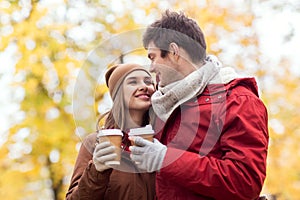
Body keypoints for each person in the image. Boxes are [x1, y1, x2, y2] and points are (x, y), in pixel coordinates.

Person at [129, 10, 269, 200]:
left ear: (174, 52)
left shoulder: (237, 100)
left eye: (153, 57)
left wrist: (166, 159)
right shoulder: (163, 103)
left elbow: (244, 182)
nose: (151, 68)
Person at [66, 63, 156, 200]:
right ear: (118, 93)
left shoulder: (163, 139)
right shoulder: (94, 143)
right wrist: (96, 171)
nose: (144, 86)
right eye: (133, 82)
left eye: (148, 81)